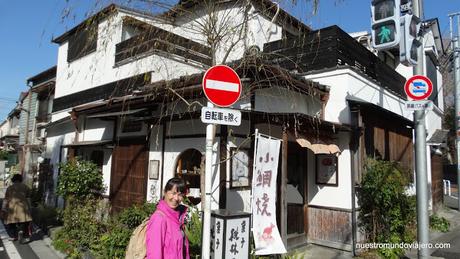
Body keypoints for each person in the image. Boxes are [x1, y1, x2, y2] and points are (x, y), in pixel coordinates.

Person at [145, 177, 190, 259]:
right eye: (173, 193)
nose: (176, 198)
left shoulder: (178, 217)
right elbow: (154, 255)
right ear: (164, 192)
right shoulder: (159, 219)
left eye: (180, 195)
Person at [2, 174, 32, 243]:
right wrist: (30, 208)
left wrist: (3, 209)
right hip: (23, 207)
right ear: (20, 179)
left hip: (12, 207)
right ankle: (23, 234)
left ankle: (13, 236)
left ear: (13, 179)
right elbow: (28, 198)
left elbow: (6, 199)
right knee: (24, 222)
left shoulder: (10, 188)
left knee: (11, 223)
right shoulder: (25, 187)